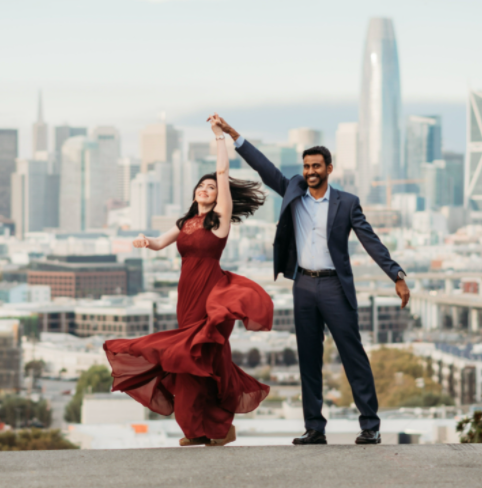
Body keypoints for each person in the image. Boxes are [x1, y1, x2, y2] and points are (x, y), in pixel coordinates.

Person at [212, 114, 410, 446]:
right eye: (306, 166)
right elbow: (265, 168)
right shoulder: (293, 190)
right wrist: (235, 135)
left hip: (335, 287)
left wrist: (397, 275)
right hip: (303, 285)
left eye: (317, 166)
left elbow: (370, 240)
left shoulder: (347, 203)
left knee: (352, 355)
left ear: (329, 169)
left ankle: (370, 425)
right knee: (308, 359)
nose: (310, 171)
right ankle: (314, 427)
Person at [103, 115, 272, 447]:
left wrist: (219, 137)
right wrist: (143, 241)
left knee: (207, 357)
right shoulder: (185, 222)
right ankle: (196, 430)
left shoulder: (219, 220)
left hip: (213, 297)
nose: (205, 189)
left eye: (210, 187)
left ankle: (220, 425)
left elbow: (222, 173)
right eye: (202, 185)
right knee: (188, 362)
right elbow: (158, 242)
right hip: (187, 296)